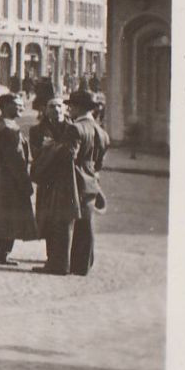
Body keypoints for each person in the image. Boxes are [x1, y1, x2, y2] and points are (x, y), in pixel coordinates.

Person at [0, 93, 38, 265]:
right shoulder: (8, 130)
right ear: (5, 106)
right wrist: (26, 183)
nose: (22, 107)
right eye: (17, 105)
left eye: (22, 104)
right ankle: (1, 255)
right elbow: (16, 161)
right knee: (8, 218)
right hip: (9, 184)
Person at [29, 96, 79, 275]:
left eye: (59, 106)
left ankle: (61, 262)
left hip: (65, 183)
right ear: (45, 110)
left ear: (64, 109)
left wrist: (51, 148)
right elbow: (35, 154)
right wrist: (57, 149)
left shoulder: (72, 129)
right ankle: (52, 259)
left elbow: (71, 153)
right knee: (47, 220)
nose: (56, 109)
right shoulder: (36, 130)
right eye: (52, 106)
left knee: (63, 221)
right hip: (46, 182)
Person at [65, 88, 109, 276]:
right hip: (92, 180)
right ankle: (84, 263)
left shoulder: (76, 129)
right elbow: (100, 162)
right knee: (87, 223)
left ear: (78, 107)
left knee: (70, 223)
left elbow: (68, 157)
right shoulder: (101, 132)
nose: (70, 111)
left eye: (71, 107)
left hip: (75, 179)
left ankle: (72, 263)